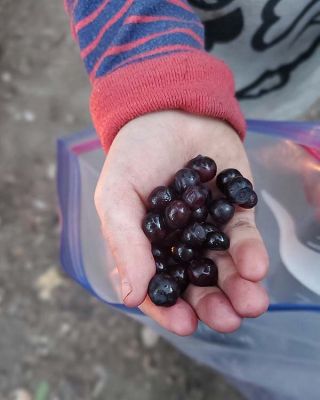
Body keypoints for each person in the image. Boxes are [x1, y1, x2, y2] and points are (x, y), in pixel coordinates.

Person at [64, 0, 320, 335]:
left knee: (281, 123)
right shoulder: (189, 212)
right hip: (172, 58)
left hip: (300, 66)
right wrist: (156, 74)